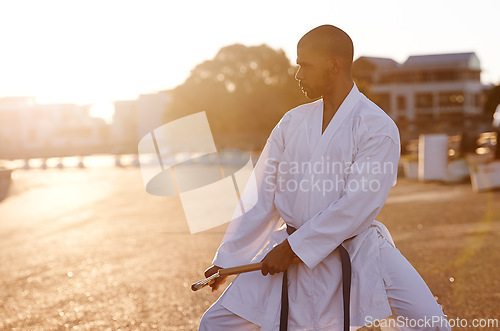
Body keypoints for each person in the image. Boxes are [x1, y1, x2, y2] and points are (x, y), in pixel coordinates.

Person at [199, 25, 451, 330]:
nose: (298, 75)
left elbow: (357, 205)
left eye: (304, 65)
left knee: (430, 321)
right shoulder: (291, 123)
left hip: (356, 249)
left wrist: (294, 248)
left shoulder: (377, 127)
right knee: (215, 325)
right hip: (287, 246)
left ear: (335, 65)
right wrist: (229, 258)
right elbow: (261, 195)